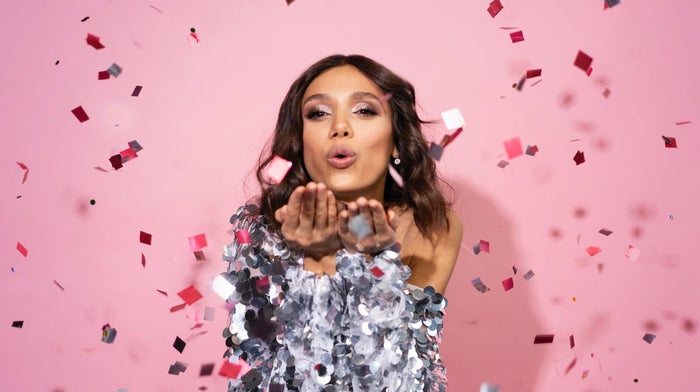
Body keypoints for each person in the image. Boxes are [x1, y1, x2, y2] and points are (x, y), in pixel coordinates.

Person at [221, 54, 463, 391]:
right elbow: (265, 378)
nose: (339, 127)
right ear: (300, 140)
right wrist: (318, 260)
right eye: (318, 113)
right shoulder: (260, 232)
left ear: (395, 138)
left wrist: (375, 266)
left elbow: (399, 379)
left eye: (364, 110)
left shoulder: (430, 226)